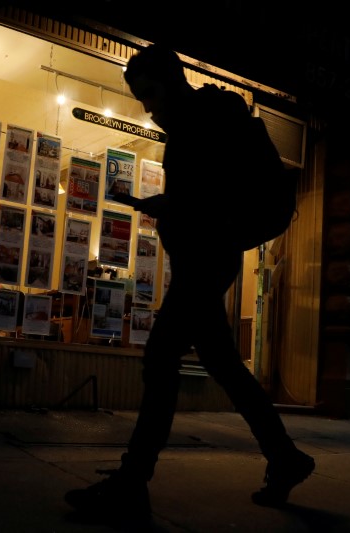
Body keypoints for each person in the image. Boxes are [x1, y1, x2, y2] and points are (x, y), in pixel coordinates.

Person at [64, 43, 315, 526]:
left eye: (150, 92)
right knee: (225, 365)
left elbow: (208, 201)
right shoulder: (195, 121)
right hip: (206, 257)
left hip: (206, 259)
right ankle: (285, 458)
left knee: (161, 357)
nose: (146, 105)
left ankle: (132, 483)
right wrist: (171, 206)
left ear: (173, 80)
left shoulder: (200, 123)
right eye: (140, 96)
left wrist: (173, 207)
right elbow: (206, 198)